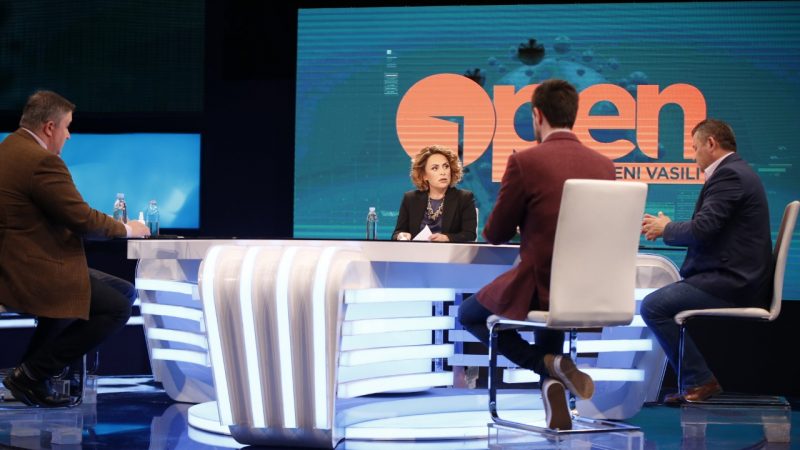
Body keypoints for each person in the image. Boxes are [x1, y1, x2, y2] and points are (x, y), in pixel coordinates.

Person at [457, 79, 616, 430]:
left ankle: (548, 365)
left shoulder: (524, 161)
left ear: (537, 115)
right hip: (588, 289)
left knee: (469, 314)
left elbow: (496, 234)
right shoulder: (605, 166)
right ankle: (553, 384)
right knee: (551, 317)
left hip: (540, 284)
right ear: (574, 115)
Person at [0, 90, 150, 406]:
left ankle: (31, 372)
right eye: (67, 127)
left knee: (123, 291)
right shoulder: (41, 161)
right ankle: (31, 374)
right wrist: (127, 229)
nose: (69, 135)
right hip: (30, 270)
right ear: (49, 127)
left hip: (20, 262)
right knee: (116, 307)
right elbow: (82, 218)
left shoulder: (9, 147)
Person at [640, 118, 772, 405]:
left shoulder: (730, 175)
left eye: (694, 147)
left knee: (652, 306)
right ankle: (697, 380)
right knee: (658, 301)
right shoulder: (735, 172)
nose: (692, 155)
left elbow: (703, 229)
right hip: (733, 276)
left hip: (733, 282)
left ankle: (699, 380)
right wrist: (669, 227)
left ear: (711, 143)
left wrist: (666, 228)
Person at [391, 145, 477, 242]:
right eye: (435, 168)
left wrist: (447, 238)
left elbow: (470, 235)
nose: (443, 172)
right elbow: (397, 233)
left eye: (446, 166)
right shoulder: (410, 199)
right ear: (424, 175)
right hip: (417, 251)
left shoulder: (464, 198)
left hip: (447, 251)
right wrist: (401, 235)